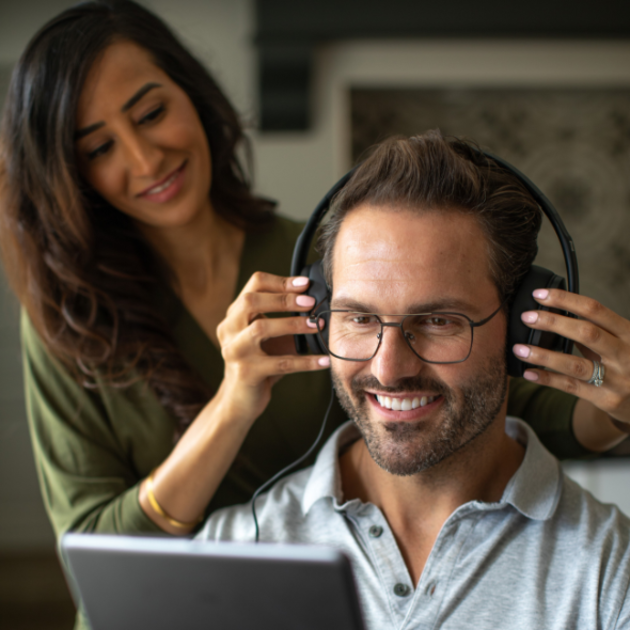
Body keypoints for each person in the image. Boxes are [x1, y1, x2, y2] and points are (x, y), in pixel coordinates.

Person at [0, 0, 627, 554]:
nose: (144, 158)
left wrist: (619, 405)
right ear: (68, 174)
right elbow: (94, 553)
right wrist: (233, 405)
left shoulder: (333, 268)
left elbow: (508, 402)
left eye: (152, 112)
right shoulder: (67, 320)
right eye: (99, 148)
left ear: (192, 94)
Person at [197, 132, 630, 629]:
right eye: (359, 319)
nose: (389, 369)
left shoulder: (610, 576)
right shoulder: (232, 554)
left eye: (440, 321)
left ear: (522, 326)